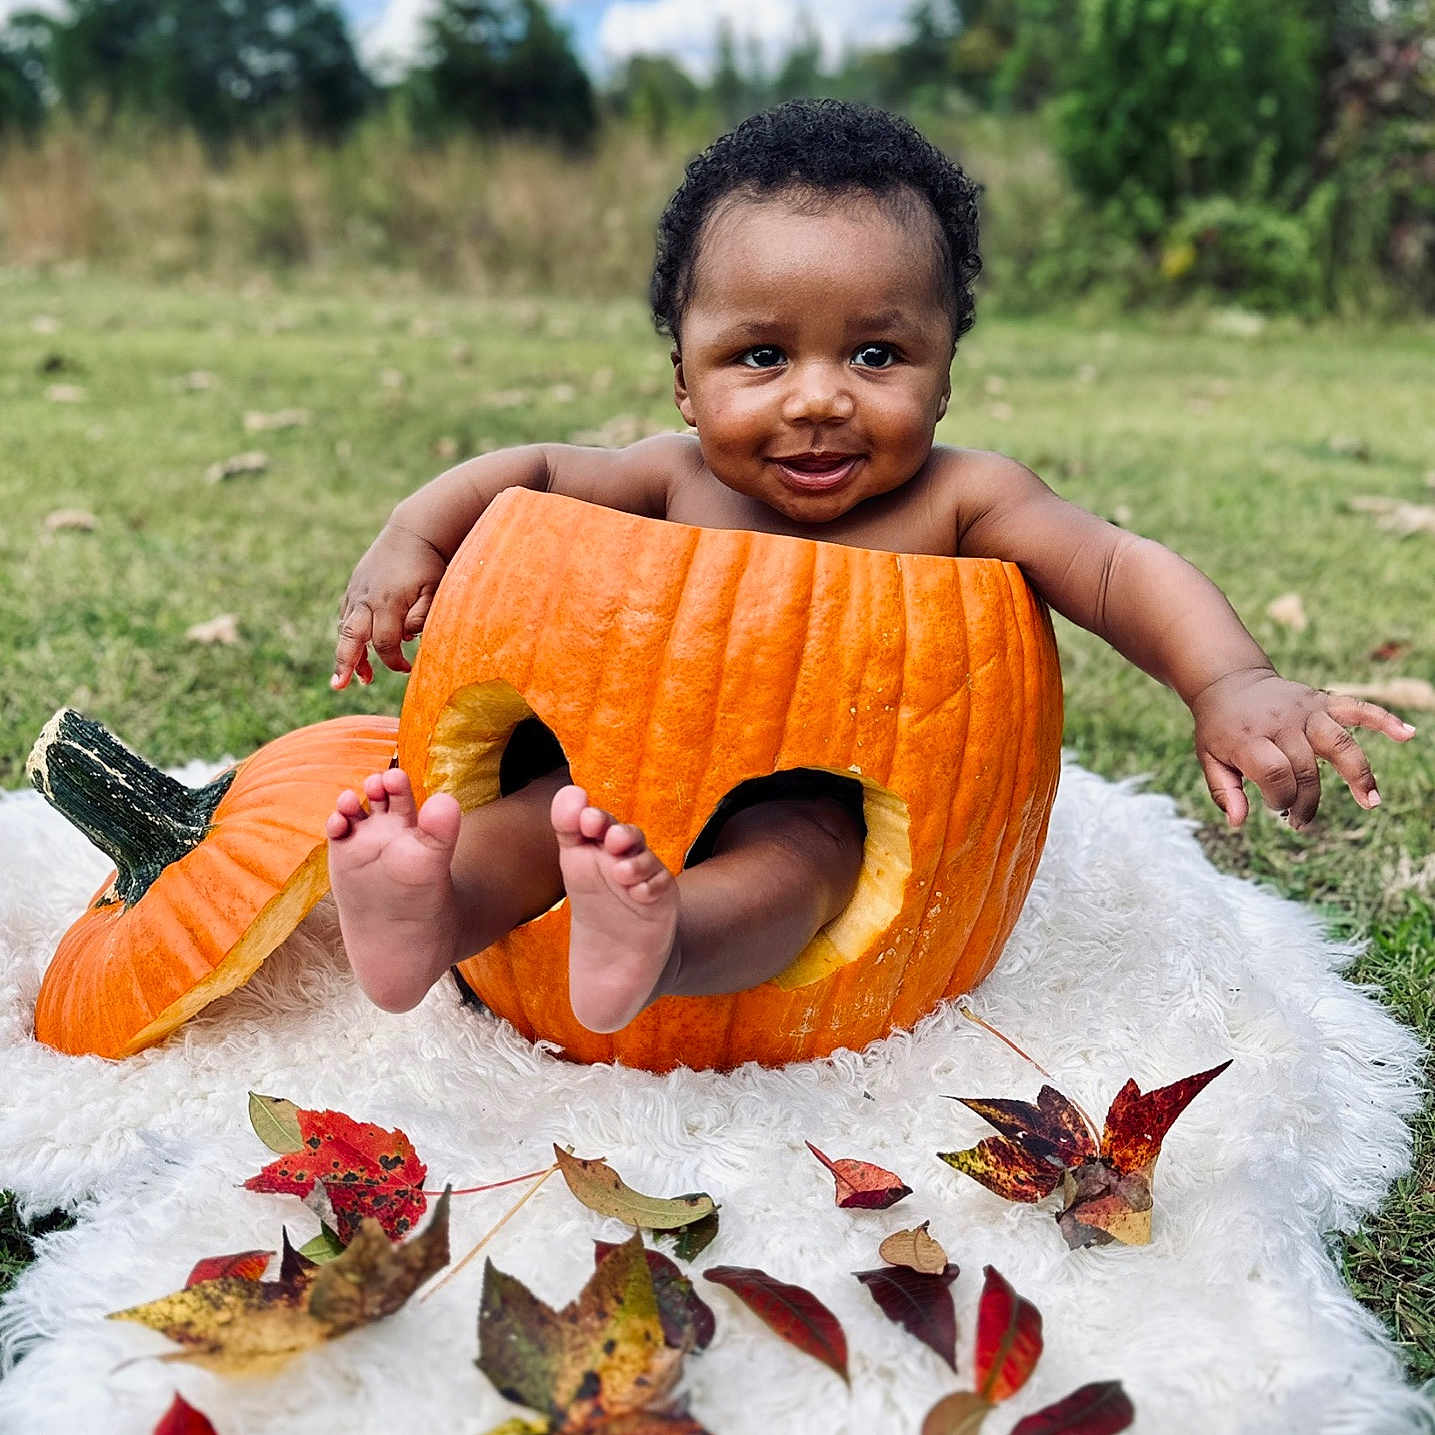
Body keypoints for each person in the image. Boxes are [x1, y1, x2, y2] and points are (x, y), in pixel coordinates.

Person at [324, 100, 1414, 1033]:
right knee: (542, 806)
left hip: (814, 791)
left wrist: (1228, 681)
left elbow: (1118, 568)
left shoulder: (961, 498)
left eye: (875, 354)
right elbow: (526, 473)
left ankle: (666, 940)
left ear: (942, 376)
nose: (816, 397)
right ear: (683, 380)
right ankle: (437, 909)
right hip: (622, 774)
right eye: (761, 355)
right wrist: (411, 538)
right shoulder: (667, 477)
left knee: (802, 856)